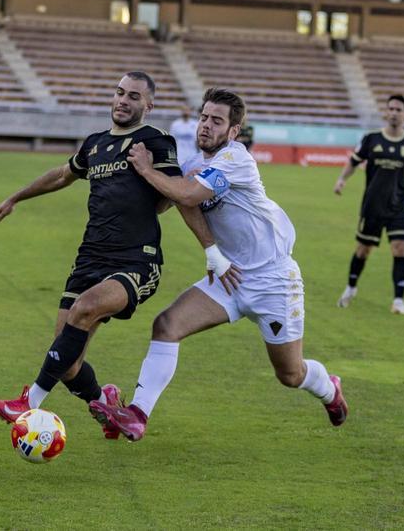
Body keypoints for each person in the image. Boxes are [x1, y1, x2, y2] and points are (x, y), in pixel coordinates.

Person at [88, 88, 348, 442]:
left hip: (273, 279)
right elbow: (172, 202)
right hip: (229, 276)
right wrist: (132, 183)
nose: (206, 125)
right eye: (204, 117)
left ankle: (330, 389)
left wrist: (148, 170)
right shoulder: (192, 166)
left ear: (233, 131)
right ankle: (137, 414)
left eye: (217, 121)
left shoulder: (235, 159)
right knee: (166, 325)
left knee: (289, 373)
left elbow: (188, 195)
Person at [0, 72, 237, 439]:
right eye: (120, 93)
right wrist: (15, 198)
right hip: (89, 257)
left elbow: (178, 195)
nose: (123, 100)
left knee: (85, 308)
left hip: (136, 259)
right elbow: (61, 175)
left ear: (148, 105)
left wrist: (209, 249)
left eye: (134, 96)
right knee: (67, 364)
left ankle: (29, 402)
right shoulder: (95, 143)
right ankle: (105, 401)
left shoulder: (155, 141)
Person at [333, 94, 404, 315]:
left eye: (398, 110)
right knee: (363, 250)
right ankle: (351, 287)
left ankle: (398, 301)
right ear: (386, 112)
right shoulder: (371, 139)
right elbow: (354, 161)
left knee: (400, 248)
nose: (394, 113)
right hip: (372, 205)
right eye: (391, 109)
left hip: (399, 205)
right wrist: (342, 179)